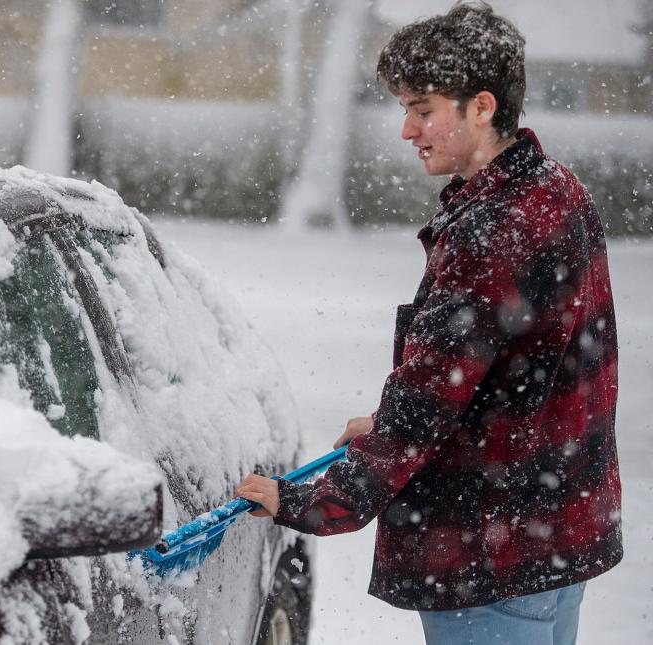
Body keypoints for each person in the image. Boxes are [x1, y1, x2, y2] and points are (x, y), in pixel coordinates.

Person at [235, 3, 622, 644]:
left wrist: (315, 501)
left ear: (481, 107)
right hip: (553, 534)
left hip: (489, 552)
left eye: (422, 110)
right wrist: (389, 424)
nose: (407, 131)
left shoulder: (492, 231)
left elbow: (427, 400)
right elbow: (530, 376)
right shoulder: (556, 192)